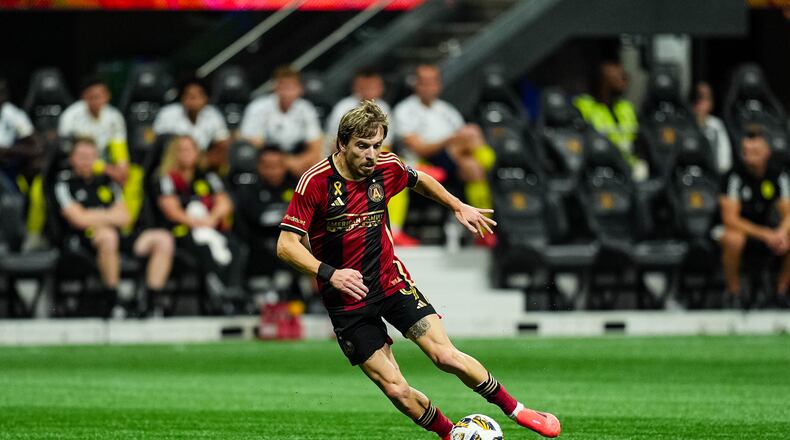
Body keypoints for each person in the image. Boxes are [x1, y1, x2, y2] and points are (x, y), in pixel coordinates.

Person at [276, 101, 560, 439]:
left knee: (445, 356)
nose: (371, 154)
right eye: (362, 146)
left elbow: (419, 179)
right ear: (341, 143)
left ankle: (517, 409)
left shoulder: (386, 166)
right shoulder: (316, 182)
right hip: (346, 302)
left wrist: (457, 205)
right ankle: (449, 433)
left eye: (377, 145)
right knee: (396, 390)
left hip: (391, 283)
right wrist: (330, 273)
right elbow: (286, 244)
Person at [54, 138, 174, 317]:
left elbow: (125, 217)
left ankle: (151, 302)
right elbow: (78, 219)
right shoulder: (64, 183)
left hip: (119, 235)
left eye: (91, 156)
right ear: (71, 158)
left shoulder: (107, 182)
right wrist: (107, 216)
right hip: (83, 241)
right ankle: (113, 300)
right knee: (108, 236)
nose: (87, 161)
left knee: (163, 239)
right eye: (82, 156)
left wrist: (92, 215)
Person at [393, 64, 496, 246]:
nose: (429, 87)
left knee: (472, 166)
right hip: (422, 162)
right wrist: (452, 139)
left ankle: (482, 230)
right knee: (470, 143)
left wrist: (459, 140)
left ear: (439, 85)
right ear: (415, 84)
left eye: (433, 82)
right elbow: (419, 148)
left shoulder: (448, 111)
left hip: (454, 163)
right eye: (424, 82)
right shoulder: (404, 110)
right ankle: (490, 161)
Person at [327, 67, 416, 246]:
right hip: (341, 165)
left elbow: (385, 147)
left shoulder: (382, 109)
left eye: (373, 86)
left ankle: (395, 232)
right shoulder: (343, 108)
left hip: (369, 164)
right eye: (364, 86)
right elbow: (335, 145)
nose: (369, 91)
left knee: (397, 177)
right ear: (356, 87)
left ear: (380, 88)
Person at [157, 135, 244, 313]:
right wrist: (195, 222)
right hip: (183, 231)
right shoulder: (167, 179)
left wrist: (211, 218)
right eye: (182, 150)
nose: (187, 154)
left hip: (210, 225)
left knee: (236, 246)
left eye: (190, 149)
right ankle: (216, 295)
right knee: (202, 248)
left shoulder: (207, 176)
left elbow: (224, 202)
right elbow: (170, 209)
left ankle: (233, 290)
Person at [58, 76, 145, 230]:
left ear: (107, 96)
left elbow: (119, 148)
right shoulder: (71, 117)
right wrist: (105, 168)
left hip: (104, 164)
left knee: (135, 175)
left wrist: (121, 168)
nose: (96, 100)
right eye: (92, 96)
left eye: (100, 96)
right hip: (78, 165)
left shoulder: (114, 117)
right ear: (84, 97)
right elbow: (68, 155)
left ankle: (127, 227)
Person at [719, 124, 790, 308]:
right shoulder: (734, 176)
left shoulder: (777, 174)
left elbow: (788, 212)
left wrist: (781, 233)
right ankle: (733, 293)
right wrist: (766, 234)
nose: (749, 157)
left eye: (755, 152)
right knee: (734, 239)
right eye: (746, 152)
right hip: (737, 230)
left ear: (767, 151)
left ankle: (781, 291)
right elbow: (730, 219)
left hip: (767, 231)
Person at [233, 147, 306, 300]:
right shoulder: (249, 188)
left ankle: (307, 292)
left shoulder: (297, 185)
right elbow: (258, 219)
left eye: (277, 166)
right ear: (259, 166)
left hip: (292, 242)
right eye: (268, 166)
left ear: (285, 165)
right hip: (258, 246)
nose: (273, 171)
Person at [239, 66, 323, 176]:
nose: (287, 92)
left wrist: (299, 161)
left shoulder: (306, 108)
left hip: (297, 156)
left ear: (300, 89)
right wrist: (285, 161)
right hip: (267, 157)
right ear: (275, 87)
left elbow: (316, 145)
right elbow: (250, 141)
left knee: (318, 163)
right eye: (283, 87)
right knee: (269, 162)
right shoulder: (258, 107)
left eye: (291, 87)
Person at [574, 60, 648, 180]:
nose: (625, 82)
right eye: (619, 78)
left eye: (625, 77)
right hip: (598, 169)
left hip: (630, 168)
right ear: (604, 82)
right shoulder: (583, 106)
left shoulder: (626, 107)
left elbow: (640, 139)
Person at [153, 77, 230, 172]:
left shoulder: (213, 114)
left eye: (197, 96)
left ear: (206, 98)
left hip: (203, 164)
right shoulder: (168, 113)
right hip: (173, 164)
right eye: (189, 95)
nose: (192, 99)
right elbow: (159, 144)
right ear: (182, 97)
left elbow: (223, 141)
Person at [0, 78, 39, 191]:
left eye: (2, 93)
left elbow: (35, 147)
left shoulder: (13, 113)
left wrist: (8, 150)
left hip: (7, 167)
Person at [692, 81, 732, 175]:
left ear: (711, 103)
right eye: (697, 98)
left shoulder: (716, 126)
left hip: (712, 176)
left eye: (704, 98)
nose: (700, 103)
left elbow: (724, 160)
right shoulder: (684, 123)